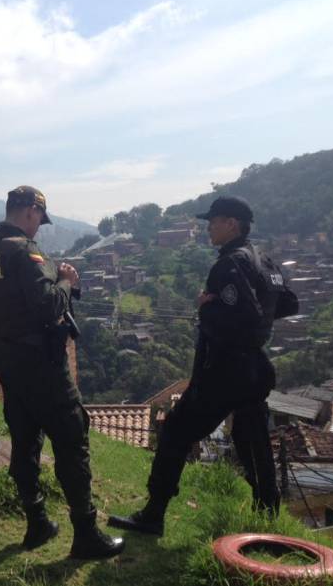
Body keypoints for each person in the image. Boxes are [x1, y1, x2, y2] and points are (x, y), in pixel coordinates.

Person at [109, 196, 290, 536]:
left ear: (231, 224)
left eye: (214, 221)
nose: (208, 227)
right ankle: (267, 516)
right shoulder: (264, 261)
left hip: (224, 369)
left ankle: (153, 515)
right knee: (252, 439)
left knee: (176, 431)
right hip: (255, 368)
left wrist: (207, 308)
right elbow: (287, 302)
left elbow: (242, 316)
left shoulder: (229, 264)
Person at [0, 186, 125, 559]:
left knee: (25, 442)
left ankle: (37, 521)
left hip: (9, 360)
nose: (39, 225)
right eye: (39, 218)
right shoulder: (24, 250)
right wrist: (66, 281)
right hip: (42, 363)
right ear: (29, 211)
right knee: (72, 440)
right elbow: (46, 306)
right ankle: (86, 533)